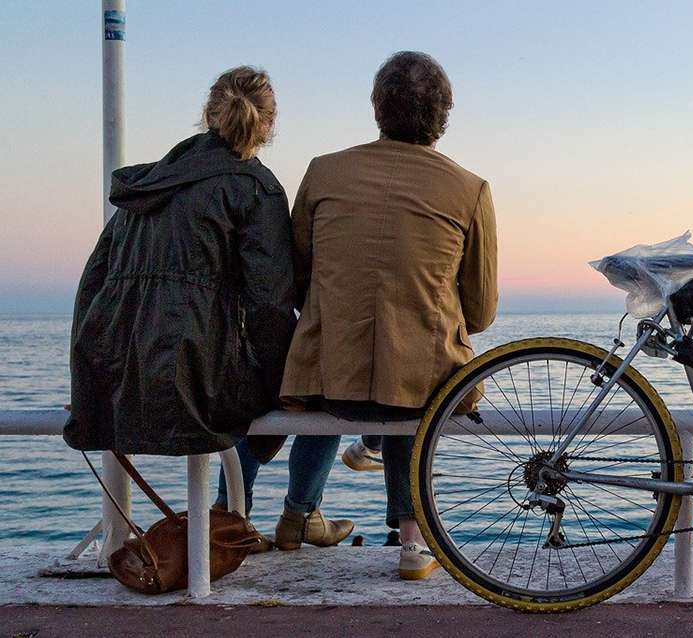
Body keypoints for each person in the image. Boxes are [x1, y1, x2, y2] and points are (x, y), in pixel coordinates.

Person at [279, 50, 498, 578]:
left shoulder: (323, 170)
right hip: (417, 385)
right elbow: (482, 309)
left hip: (324, 377)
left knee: (340, 372)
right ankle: (412, 545)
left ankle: (293, 516)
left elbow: (298, 272)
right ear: (443, 114)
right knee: (413, 382)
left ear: (377, 106)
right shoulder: (470, 189)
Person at [65, 67, 296, 552]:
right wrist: (285, 385)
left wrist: (88, 381)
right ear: (269, 126)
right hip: (197, 382)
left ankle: (231, 515)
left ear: (208, 115)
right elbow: (270, 307)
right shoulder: (256, 189)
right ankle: (278, 514)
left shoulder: (147, 185)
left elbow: (93, 286)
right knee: (314, 387)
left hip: (118, 374)